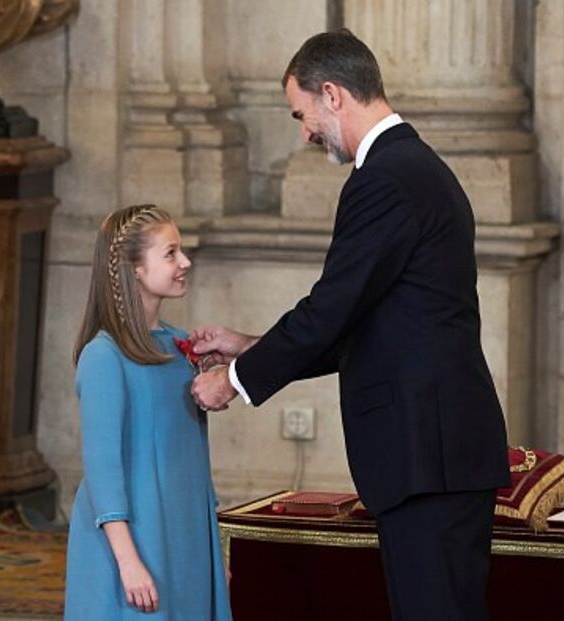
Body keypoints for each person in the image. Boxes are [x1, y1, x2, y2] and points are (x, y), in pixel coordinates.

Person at [191, 29, 510, 620]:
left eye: (301, 114)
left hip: (427, 455)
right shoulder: (412, 166)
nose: (304, 133)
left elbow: (331, 308)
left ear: (332, 94)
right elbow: (365, 323)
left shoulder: (385, 178)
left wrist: (233, 379)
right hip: (436, 452)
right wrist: (250, 345)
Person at [65, 205, 232, 620]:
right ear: (135, 270)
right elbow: (102, 469)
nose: (185, 262)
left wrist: (214, 547)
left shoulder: (180, 347)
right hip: (133, 539)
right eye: (171, 253)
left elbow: (195, 458)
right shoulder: (104, 356)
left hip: (184, 531)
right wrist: (128, 563)